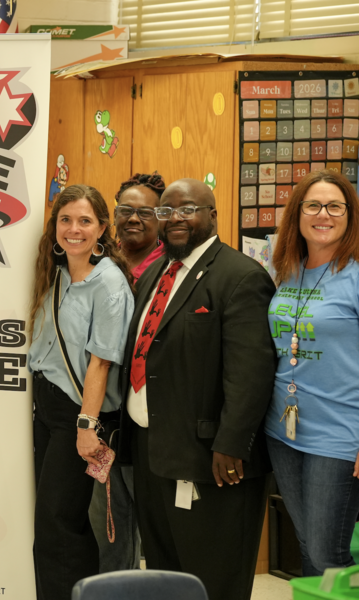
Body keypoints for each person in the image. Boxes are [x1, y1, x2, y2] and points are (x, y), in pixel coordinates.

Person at [118, 179, 276, 600]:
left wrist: (232, 443)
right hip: (153, 453)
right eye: (166, 212)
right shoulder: (155, 273)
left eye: (187, 209)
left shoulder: (241, 277)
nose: (175, 220)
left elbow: (251, 372)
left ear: (213, 215)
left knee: (213, 580)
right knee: (166, 577)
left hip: (212, 459)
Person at [27, 184, 134, 600]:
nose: (74, 229)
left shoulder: (108, 284)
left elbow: (101, 363)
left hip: (79, 412)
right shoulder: (54, 271)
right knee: (50, 520)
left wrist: (87, 426)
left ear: (103, 228)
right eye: (66, 220)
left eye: (85, 221)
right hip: (46, 405)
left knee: (61, 521)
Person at [265, 170, 359, 576]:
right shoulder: (286, 271)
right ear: (298, 214)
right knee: (306, 548)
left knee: (327, 554)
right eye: (313, 205)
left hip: (339, 434)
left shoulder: (355, 274)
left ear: (349, 215)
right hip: (283, 430)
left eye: (335, 206)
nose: (324, 214)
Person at [87, 171, 167, 573]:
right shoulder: (99, 261)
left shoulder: (171, 270)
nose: (133, 218)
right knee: (109, 521)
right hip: (103, 413)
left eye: (145, 212)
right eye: (125, 210)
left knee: (153, 526)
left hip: (149, 418)